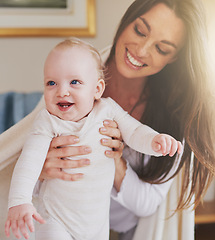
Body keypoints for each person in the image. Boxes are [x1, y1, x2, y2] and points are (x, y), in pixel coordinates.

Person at [0, 0, 215, 240]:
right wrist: (40, 170)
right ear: (127, 21)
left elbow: (140, 147)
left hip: (111, 231)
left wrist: (117, 159)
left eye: (162, 49)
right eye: (140, 31)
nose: (141, 50)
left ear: (174, 58)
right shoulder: (70, 83)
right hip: (56, 220)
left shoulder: (171, 115)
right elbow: (26, 160)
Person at [4, 38, 182, 240]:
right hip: (55, 219)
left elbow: (135, 133)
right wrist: (19, 201)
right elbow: (29, 162)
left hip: (96, 225)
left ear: (97, 89)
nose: (62, 91)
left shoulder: (108, 110)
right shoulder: (48, 121)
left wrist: (155, 142)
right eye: (51, 83)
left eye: (74, 82)